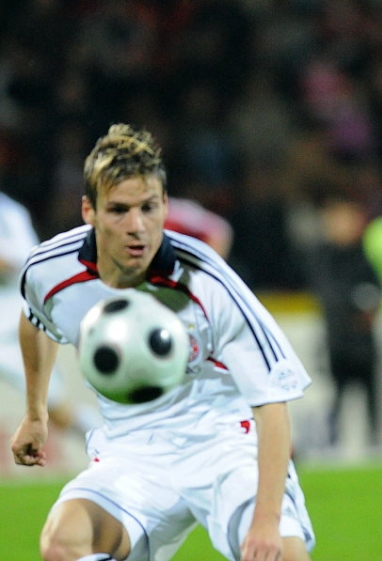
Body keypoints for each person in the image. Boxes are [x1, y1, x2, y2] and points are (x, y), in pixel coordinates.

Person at [10, 123, 315, 561]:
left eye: (148, 208)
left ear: (165, 205)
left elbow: (272, 403)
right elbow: (35, 321)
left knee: (282, 555)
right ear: (89, 211)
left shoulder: (207, 280)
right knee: (63, 543)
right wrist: (36, 412)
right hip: (131, 450)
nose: (137, 227)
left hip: (225, 444)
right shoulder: (48, 269)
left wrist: (266, 522)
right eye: (118, 210)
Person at [0, 189, 99, 441]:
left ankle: (103, 440)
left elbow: (24, 262)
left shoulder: (8, 213)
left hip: (11, 323)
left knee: (53, 408)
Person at [307, 193, 382, 451]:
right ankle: (333, 442)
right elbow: (328, 295)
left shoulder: (363, 255)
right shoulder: (323, 257)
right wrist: (354, 302)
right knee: (335, 394)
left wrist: (369, 304)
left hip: (363, 341)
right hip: (337, 340)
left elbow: (378, 289)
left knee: (371, 394)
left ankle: (373, 443)